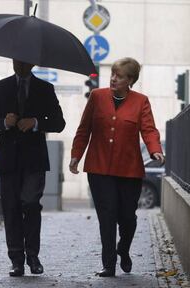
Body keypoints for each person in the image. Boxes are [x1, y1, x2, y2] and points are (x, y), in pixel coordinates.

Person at [69, 57, 164, 277]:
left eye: (119, 76)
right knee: (107, 215)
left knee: (128, 218)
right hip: (99, 168)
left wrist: (155, 149)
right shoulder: (97, 97)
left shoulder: (141, 101)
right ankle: (109, 264)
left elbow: (149, 129)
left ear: (130, 80)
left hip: (129, 169)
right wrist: (76, 155)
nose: (113, 79)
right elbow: (84, 129)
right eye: (112, 74)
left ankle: (124, 248)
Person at [0, 59, 65, 277]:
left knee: (30, 203)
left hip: (34, 160)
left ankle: (33, 256)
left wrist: (36, 122)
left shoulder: (45, 89)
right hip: (8, 159)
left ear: (33, 63)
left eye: (24, 61)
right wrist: (4, 122)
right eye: (16, 61)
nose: (19, 65)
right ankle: (16, 259)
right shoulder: (1, 87)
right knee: (11, 208)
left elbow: (59, 122)